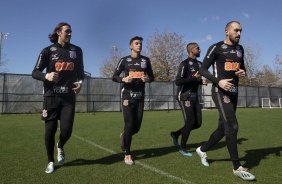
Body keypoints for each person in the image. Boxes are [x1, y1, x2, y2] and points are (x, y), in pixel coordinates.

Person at [198, 21, 255, 181]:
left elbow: (241, 68)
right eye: (236, 30)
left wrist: (242, 73)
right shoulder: (216, 47)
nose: (239, 33)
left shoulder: (240, 49)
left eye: (241, 31)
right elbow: (202, 69)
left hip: (234, 91)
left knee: (223, 128)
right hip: (219, 90)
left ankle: (202, 149)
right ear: (226, 31)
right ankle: (237, 167)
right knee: (232, 126)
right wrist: (218, 81)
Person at [32, 22, 84, 174]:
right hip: (51, 96)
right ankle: (50, 161)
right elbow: (35, 72)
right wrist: (45, 76)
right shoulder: (48, 51)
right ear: (58, 32)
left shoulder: (77, 50)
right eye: (67, 31)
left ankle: (60, 145)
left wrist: (79, 83)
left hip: (68, 97)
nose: (70, 34)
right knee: (50, 130)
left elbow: (80, 72)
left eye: (71, 31)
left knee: (67, 130)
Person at [112, 36, 154, 165]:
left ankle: (124, 136)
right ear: (131, 46)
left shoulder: (145, 60)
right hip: (127, 97)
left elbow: (152, 76)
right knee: (129, 124)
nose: (139, 45)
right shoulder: (124, 60)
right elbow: (114, 76)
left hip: (140, 97)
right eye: (136, 43)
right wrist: (123, 79)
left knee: (136, 127)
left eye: (140, 43)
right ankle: (128, 154)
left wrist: (148, 79)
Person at [170, 43, 207, 156]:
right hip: (184, 96)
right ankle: (182, 147)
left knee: (198, 123)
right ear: (191, 50)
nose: (200, 49)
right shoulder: (184, 64)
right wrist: (193, 78)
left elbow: (196, 80)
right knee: (190, 122)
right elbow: (178, 81)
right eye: (198, 48)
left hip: (194, 96)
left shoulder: (200, 64)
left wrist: (201, 81)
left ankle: (176, 134)